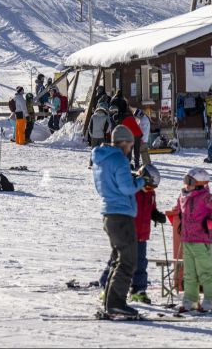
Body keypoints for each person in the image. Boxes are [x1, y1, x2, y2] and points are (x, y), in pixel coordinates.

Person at [92, 125, 146, 319]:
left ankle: (110, 301)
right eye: (130, 144)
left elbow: (108, 185)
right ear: (123, 142)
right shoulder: (119, 159)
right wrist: (142, 181)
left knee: (118, 259)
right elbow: (125, 188)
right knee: (128, 261)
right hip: (121, 215)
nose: (131, 148)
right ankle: (116, 304)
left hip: (109, 213)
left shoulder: (101, 159)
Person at [99, 164, 165, 305]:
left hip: (142, 235)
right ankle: (107, 286)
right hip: (126, 233)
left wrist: (155, 214)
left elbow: (150, 207)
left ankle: (138, 290)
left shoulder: (150, 193)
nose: (149, 190)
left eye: (152, 188)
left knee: (140, 263)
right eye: (147, 186)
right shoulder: (129, 190)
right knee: (118, 260)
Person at [168, 168, 212, 313]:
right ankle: (190, 301)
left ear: (200, 183)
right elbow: (178, 209)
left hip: (201, 240)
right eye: (185, 180)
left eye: (190, 181)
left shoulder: (205, 197)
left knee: (205, 272)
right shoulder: (183, 195)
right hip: (187, 239)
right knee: (189, 273)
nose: (186, 184)